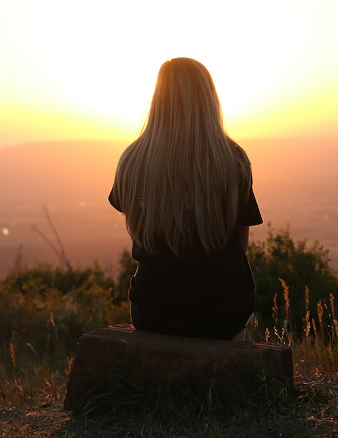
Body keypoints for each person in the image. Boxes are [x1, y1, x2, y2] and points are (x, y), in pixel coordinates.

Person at [108, 57, 262, 342]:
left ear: (158, 100)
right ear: (209, 101)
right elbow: (241, 246)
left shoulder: (131, 161)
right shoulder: (234, 161)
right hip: (221, 314)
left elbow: (137, 231)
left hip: (153, 311)